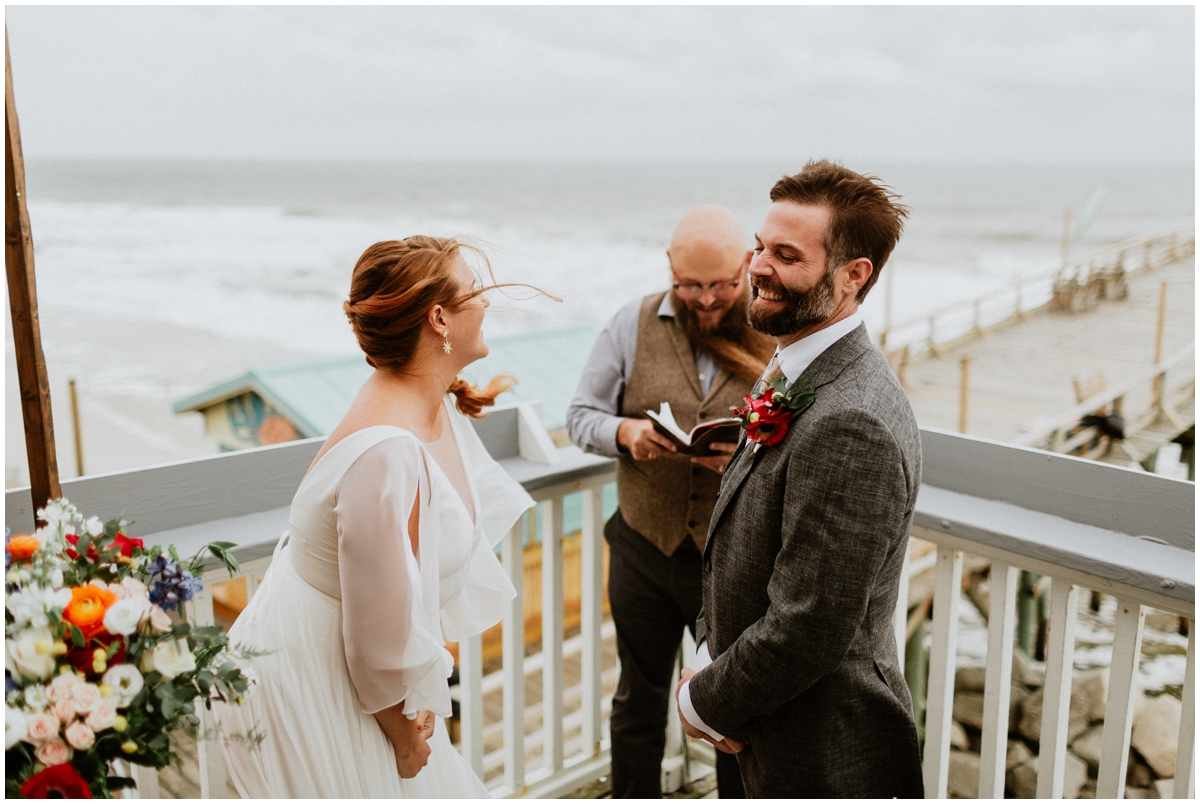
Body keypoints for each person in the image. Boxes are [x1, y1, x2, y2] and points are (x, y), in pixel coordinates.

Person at [217, 236, 539, 797]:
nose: (486, 304)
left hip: (354, 669)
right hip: (320, 677)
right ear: (439, 318)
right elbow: (373, 637)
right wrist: (404, 737)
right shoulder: (387, 453)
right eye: (475, 292)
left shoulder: (427, 399)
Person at [675, 161, 925, 798]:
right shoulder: (792, 365)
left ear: (852, 277)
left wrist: (702, 701)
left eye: (787, 255)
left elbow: (809, 625)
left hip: (820, 750)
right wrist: (711, 651)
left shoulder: (855, 422)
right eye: (760, 246)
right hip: (759, 717)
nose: (757, 267)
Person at [568, 205, 772, 798]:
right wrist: (626, 434)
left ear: (745, 266)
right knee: (638, 699)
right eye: (691, 285)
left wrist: (743, 461)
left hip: (734, 561)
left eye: (722, 285)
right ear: (670, 269)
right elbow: (581, 416)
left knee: (731, 708)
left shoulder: (779, 329)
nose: (707, 300)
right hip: (642, 548)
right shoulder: (627, 325)